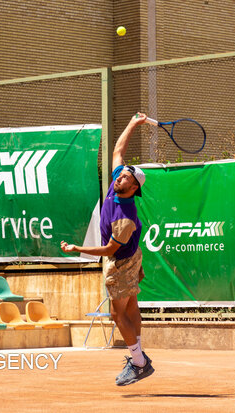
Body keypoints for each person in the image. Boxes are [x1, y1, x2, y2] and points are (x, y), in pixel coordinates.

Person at [61, 112, 154, 386]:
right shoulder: (116, 186)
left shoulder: (126, 215)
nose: (119, 178)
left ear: (134, 186)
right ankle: (138, 355)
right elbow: (117, 150)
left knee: (117, 314)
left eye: (125, 178)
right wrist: (133, 123)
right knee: (132, 305)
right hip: (132, 256)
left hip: (122, 261)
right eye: (121, 175)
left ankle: (138, 362)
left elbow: (109, 248)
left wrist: (77, 248)